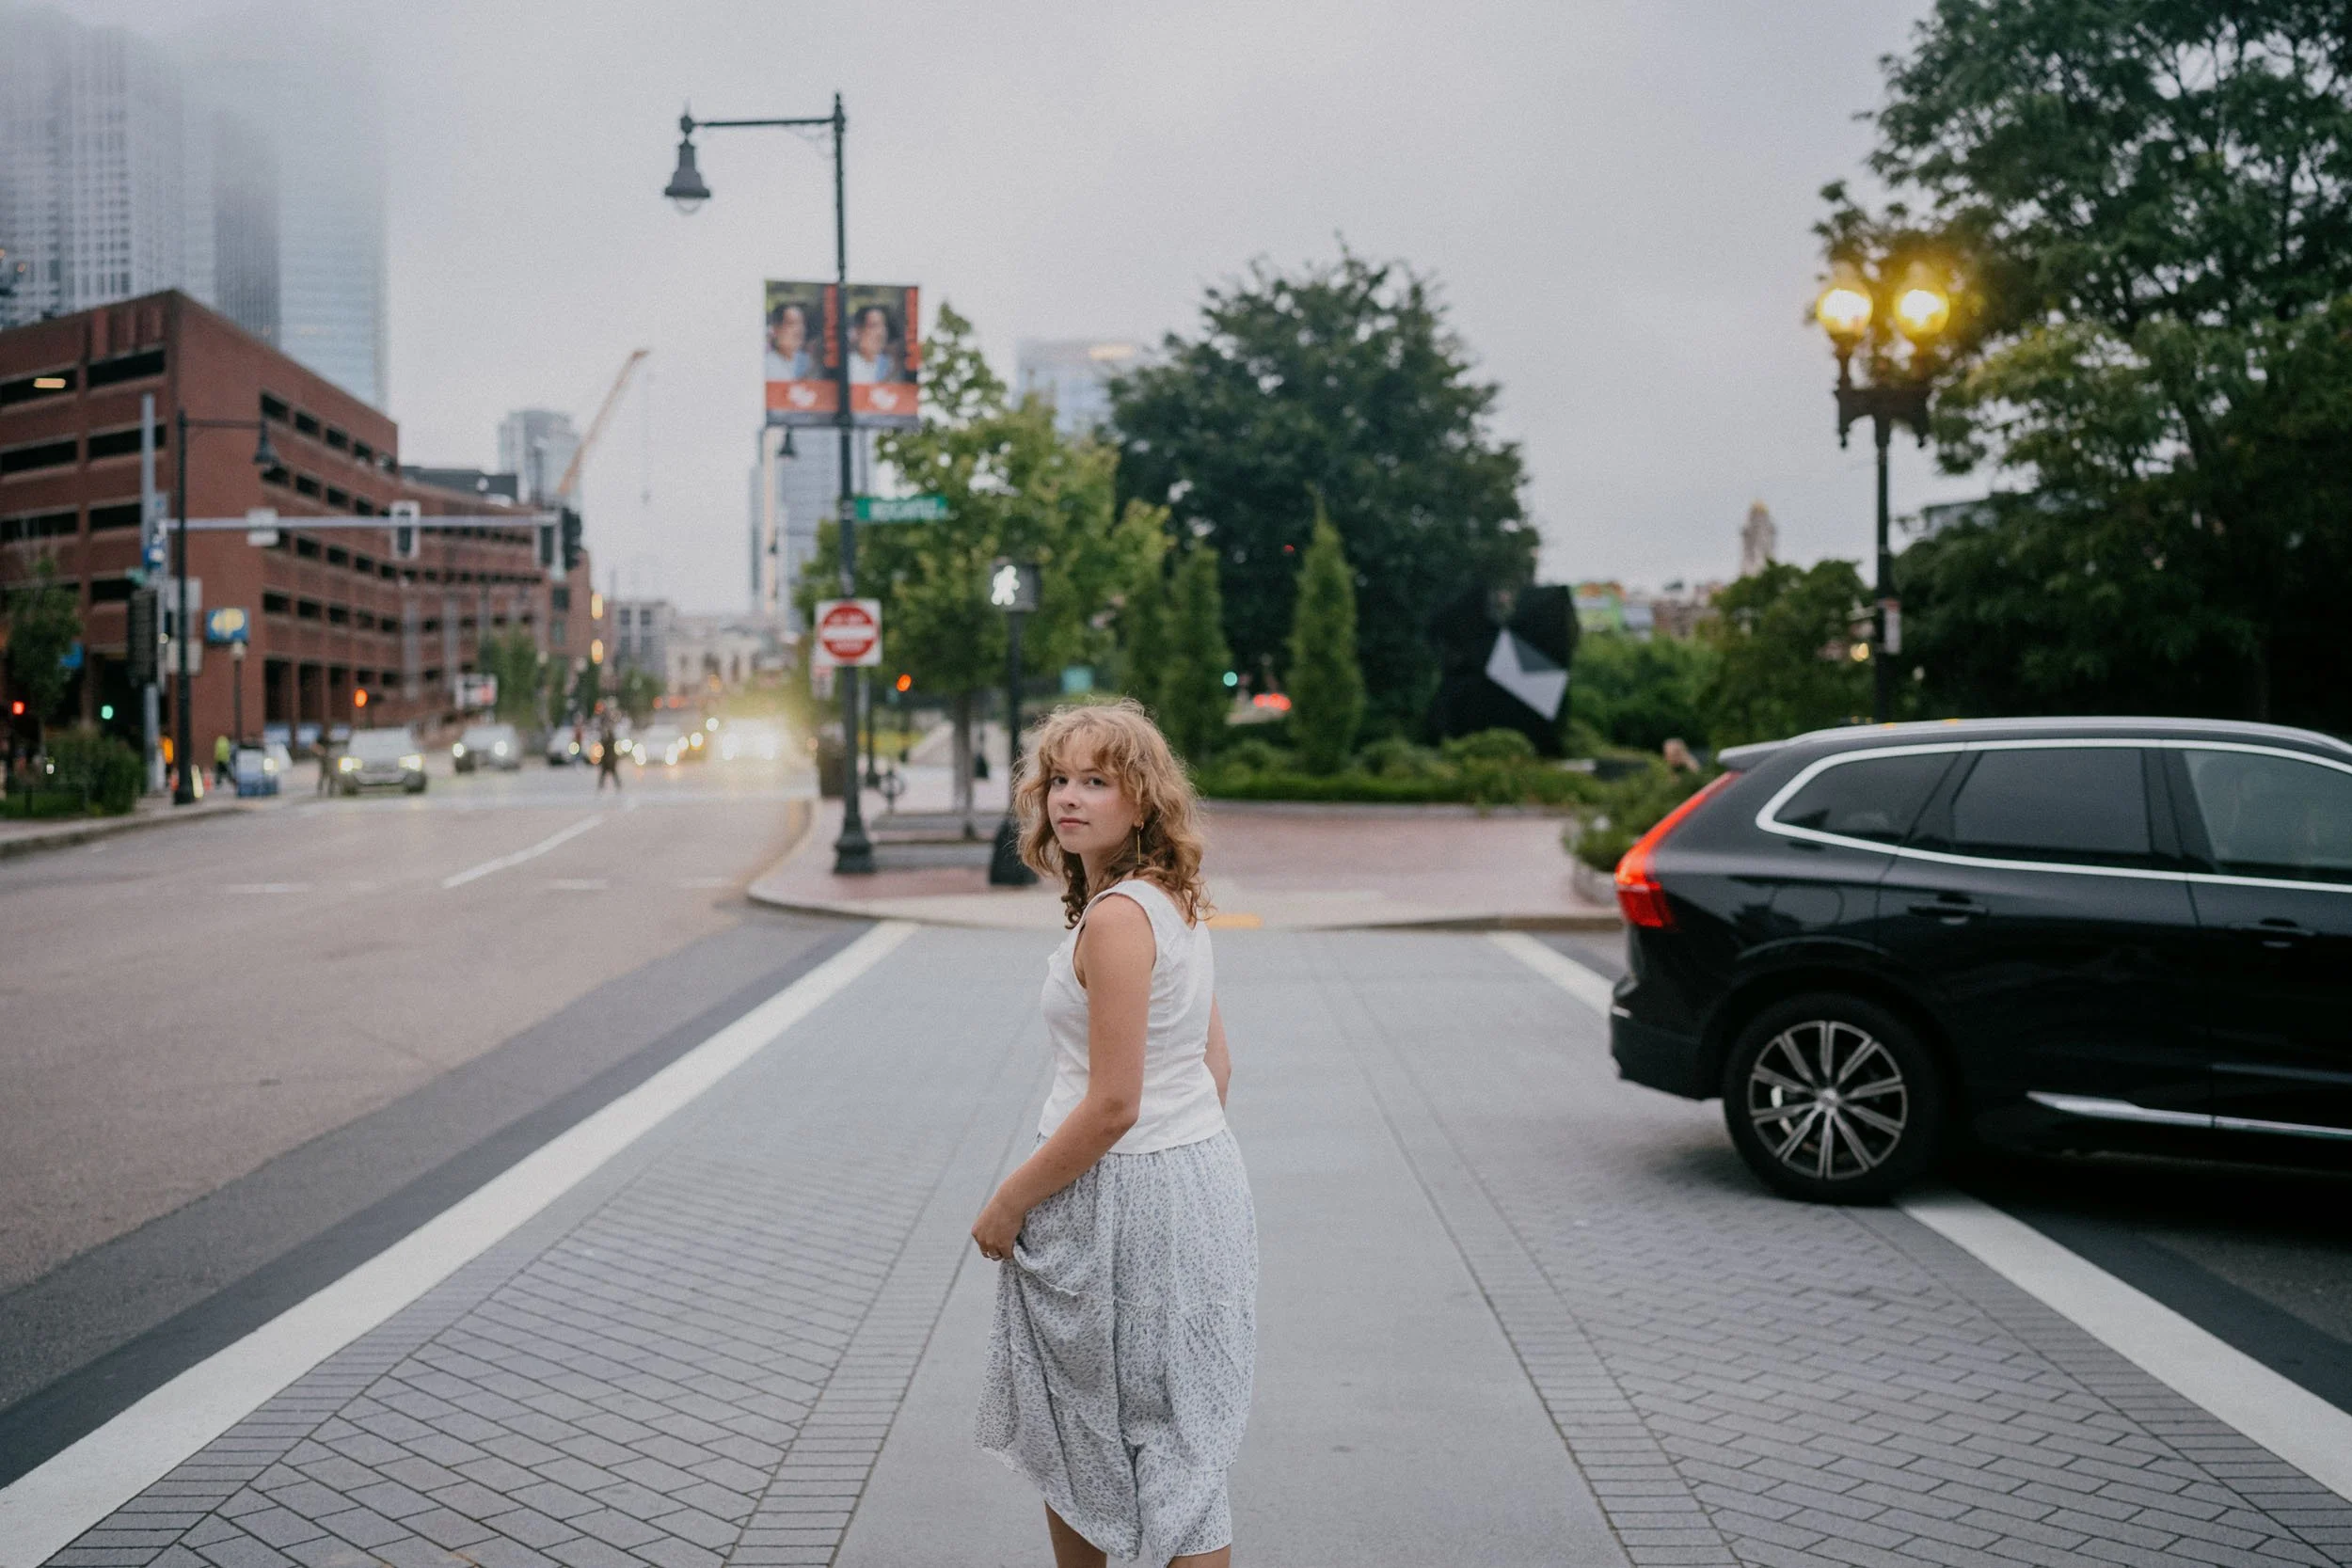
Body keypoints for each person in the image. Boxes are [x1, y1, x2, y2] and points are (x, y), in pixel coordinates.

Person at [973, 699, 1255, 1568]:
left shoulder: (1118, 918)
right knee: (1177, 1448)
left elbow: (1112, 1104)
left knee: (1090, 1434)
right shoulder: (1170, 898)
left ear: (1141, 799)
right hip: (1193, 1183)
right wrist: (1179, 1163)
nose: (1070, 797)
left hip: (1121, 1196)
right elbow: (1215, 1067)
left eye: (1098, 780)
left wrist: (1009, 1201)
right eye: (1060, 778)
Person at [764, 299, 815, 383]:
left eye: (801, 323)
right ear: (776, 329)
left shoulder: (809, 363)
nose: (799, 330)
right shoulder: (766, 365)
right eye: (791, 323)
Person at [847, 304, 897, 384]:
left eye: (883, 326)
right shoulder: (849, 365)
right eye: (873, 326)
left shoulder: (890, 365)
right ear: (858, 331)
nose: (881, 333)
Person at [596, 711, 622, 791]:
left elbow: (609, 744)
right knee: (605, 773)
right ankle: (601, 786)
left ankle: (617, 785)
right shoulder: (606, 735)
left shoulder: (610, 736)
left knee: (612, 772)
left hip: (610, 758)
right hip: (606, 758)